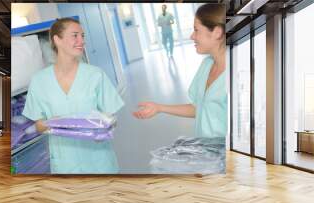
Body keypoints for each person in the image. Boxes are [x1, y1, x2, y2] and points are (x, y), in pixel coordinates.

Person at [22, 18, 124, 174]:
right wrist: (57, 122)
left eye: (83, 36)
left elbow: (111, 118)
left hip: (99, 161)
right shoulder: (39, 81)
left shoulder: (95, 74)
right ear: (57, 40)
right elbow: (39, 126)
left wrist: (104, 126)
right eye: (75, 35)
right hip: (66, 164)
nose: (81, 41)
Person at [134, 4, 227, 138]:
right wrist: (159, 108)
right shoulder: (206, 65)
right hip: (207, 150)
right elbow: (198, 108)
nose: (192, 36)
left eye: (196, 30)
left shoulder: (235, 74)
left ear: (217, 32)